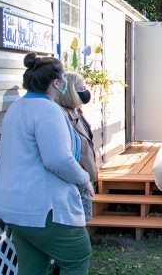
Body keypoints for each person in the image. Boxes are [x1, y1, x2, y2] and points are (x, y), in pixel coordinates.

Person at [0, 52, 93, 274]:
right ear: (56, 83)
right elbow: (57, 160)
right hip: (40, 208)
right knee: (77, 257)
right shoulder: (48, 110)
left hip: (13, 207)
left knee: (33, 266)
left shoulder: (17, 107)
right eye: (63, 78)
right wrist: (84, 179)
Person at [55, 72, 98, 222]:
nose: (86, 91)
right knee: (77, 221)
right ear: (71, 91)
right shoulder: (62, 116)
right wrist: (83, 178)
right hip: (76, 179)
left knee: (83, 220)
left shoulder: (76, 111)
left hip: (84, 176)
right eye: (82, 87)